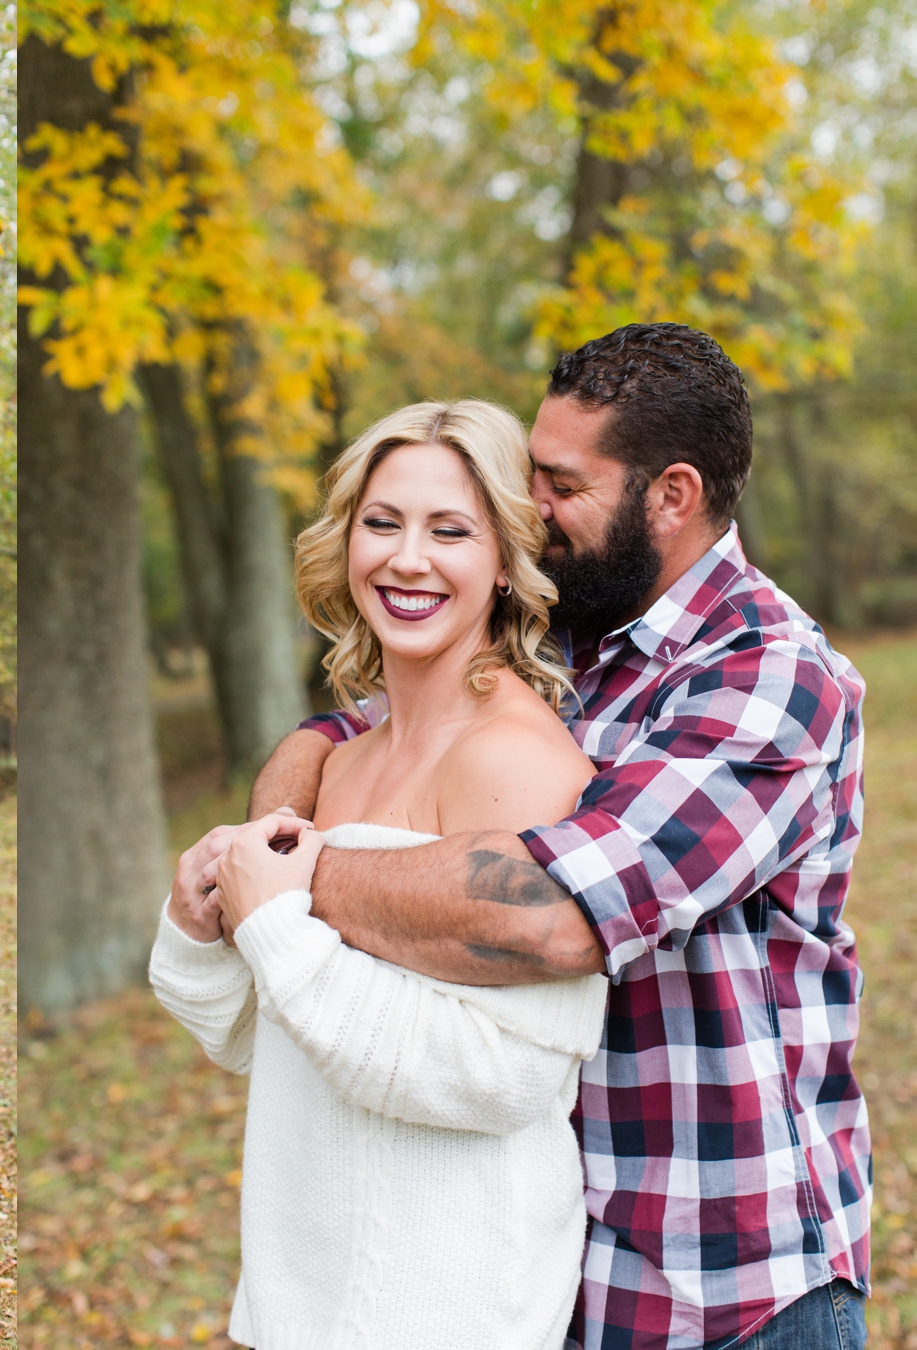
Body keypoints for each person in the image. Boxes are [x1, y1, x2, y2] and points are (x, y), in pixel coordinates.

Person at [252, 324, 870, 1350]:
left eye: (559, 482)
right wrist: (279, 803)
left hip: (730, 1287)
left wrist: (286, 876)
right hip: (560, 1278)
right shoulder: (569, 635)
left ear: (670, 496)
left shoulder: (770, 677)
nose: (529, 506)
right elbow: (357, 728)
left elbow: (553, 914)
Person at [153, 399, 609, 1348]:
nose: (408, 559)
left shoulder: (515, 761)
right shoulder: (342, 763)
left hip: (449, 1307)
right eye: (382, 522)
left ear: (506, 558)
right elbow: (260, 1037)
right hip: (301, 1299)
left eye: (451, 530)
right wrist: (199, 926)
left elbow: (507, 1080)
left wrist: (277, 925)